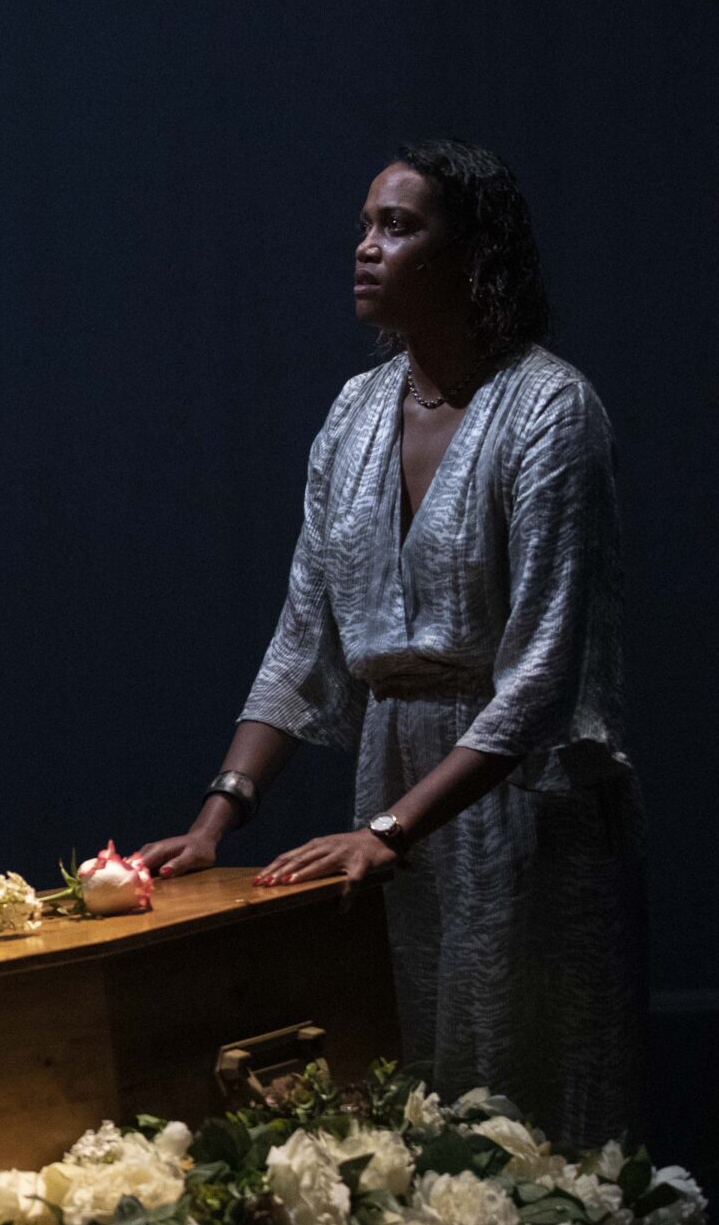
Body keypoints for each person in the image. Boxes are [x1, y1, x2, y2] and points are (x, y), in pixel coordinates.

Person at [139, 140, 645, 1149]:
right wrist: (215, 820)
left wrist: (387, 830)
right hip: (396, 775)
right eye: (366, 225)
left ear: (473, 254)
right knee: (413, 1090)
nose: (366, 247)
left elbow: (543, 673)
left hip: (520, 798)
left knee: (525, 1103)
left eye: (399, 227)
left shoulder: (550, 410)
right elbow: (305, 633)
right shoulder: (356, 411)